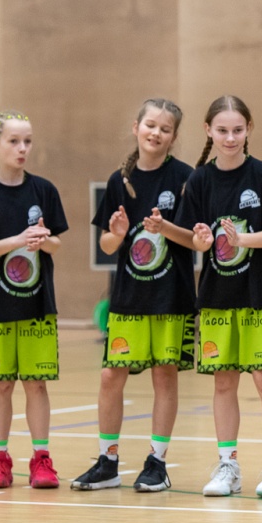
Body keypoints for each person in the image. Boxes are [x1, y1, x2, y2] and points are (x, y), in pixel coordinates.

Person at [177, 95, 262, 498]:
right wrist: (202, 239)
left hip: (260, 293)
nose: (230, 138)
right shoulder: (200, 180)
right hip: (216, 295)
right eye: (222, 130)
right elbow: (196, 240)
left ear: (249, 130)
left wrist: (240, 239)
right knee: (223, 382)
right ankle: (228, 465)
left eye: (238, 130)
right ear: (208, 131)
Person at [76, 99, 194, 493]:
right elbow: (108, 245)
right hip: (128, 297)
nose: (156, 133)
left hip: (171, 296)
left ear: (173, 136)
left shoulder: (185, 178)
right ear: (136, 127)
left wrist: (166, 229)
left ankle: (157, 463)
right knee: (111, 376)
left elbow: (196, 240)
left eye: (165, 128)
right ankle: (107, 462)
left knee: (164, 375)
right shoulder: (118, 181)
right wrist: (118, 233)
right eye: (150, 125)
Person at [0, 111, 68, 489]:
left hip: (37, 306)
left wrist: (42, 240)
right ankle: (0, 459)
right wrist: (17, 240)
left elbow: (56, 244)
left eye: (28, 141)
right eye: (14, 141)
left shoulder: (44, 191)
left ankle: (41, 459)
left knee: (37, 384)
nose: (23, 148)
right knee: (1, 384)